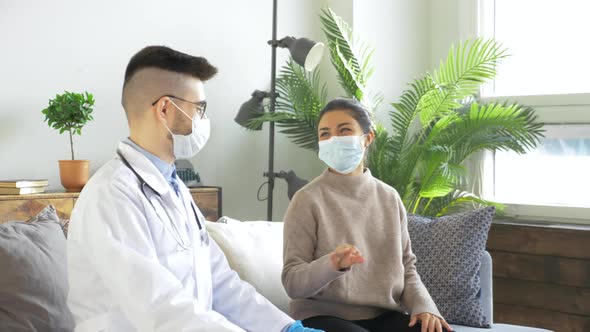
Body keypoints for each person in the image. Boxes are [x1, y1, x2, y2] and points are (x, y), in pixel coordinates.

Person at [67, 45, 322, 332]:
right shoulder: (112, 195)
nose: (203, 119)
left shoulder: (174, 188)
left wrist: (285, 328)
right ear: (165, 108)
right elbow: (161, 307)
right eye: (199, 108)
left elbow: (222, 283)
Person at [281, 98, 454, 332]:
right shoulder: (306, 199)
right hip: (323, 317)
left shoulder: (389, 198)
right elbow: (293, 282)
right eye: (325, 134)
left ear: (368, 138)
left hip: (384, 316)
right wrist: (332, 264)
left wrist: (424, 307)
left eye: (344, 130)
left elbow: (407, 267)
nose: (334, 139)